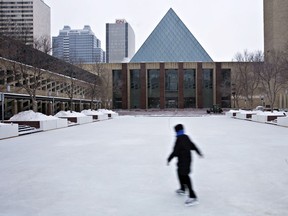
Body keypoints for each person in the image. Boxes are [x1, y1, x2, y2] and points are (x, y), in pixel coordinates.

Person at [167, 124, 203, 206]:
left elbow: (175, 151)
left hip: (184, 161)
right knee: (179, 173)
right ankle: (183, 188)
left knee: (185, 177)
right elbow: (193, 145)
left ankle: (193, 196)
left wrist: (169, 158)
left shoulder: (179, 139)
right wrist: (198, 152)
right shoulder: (186, 137)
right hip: (185, 160)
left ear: (176, 131)